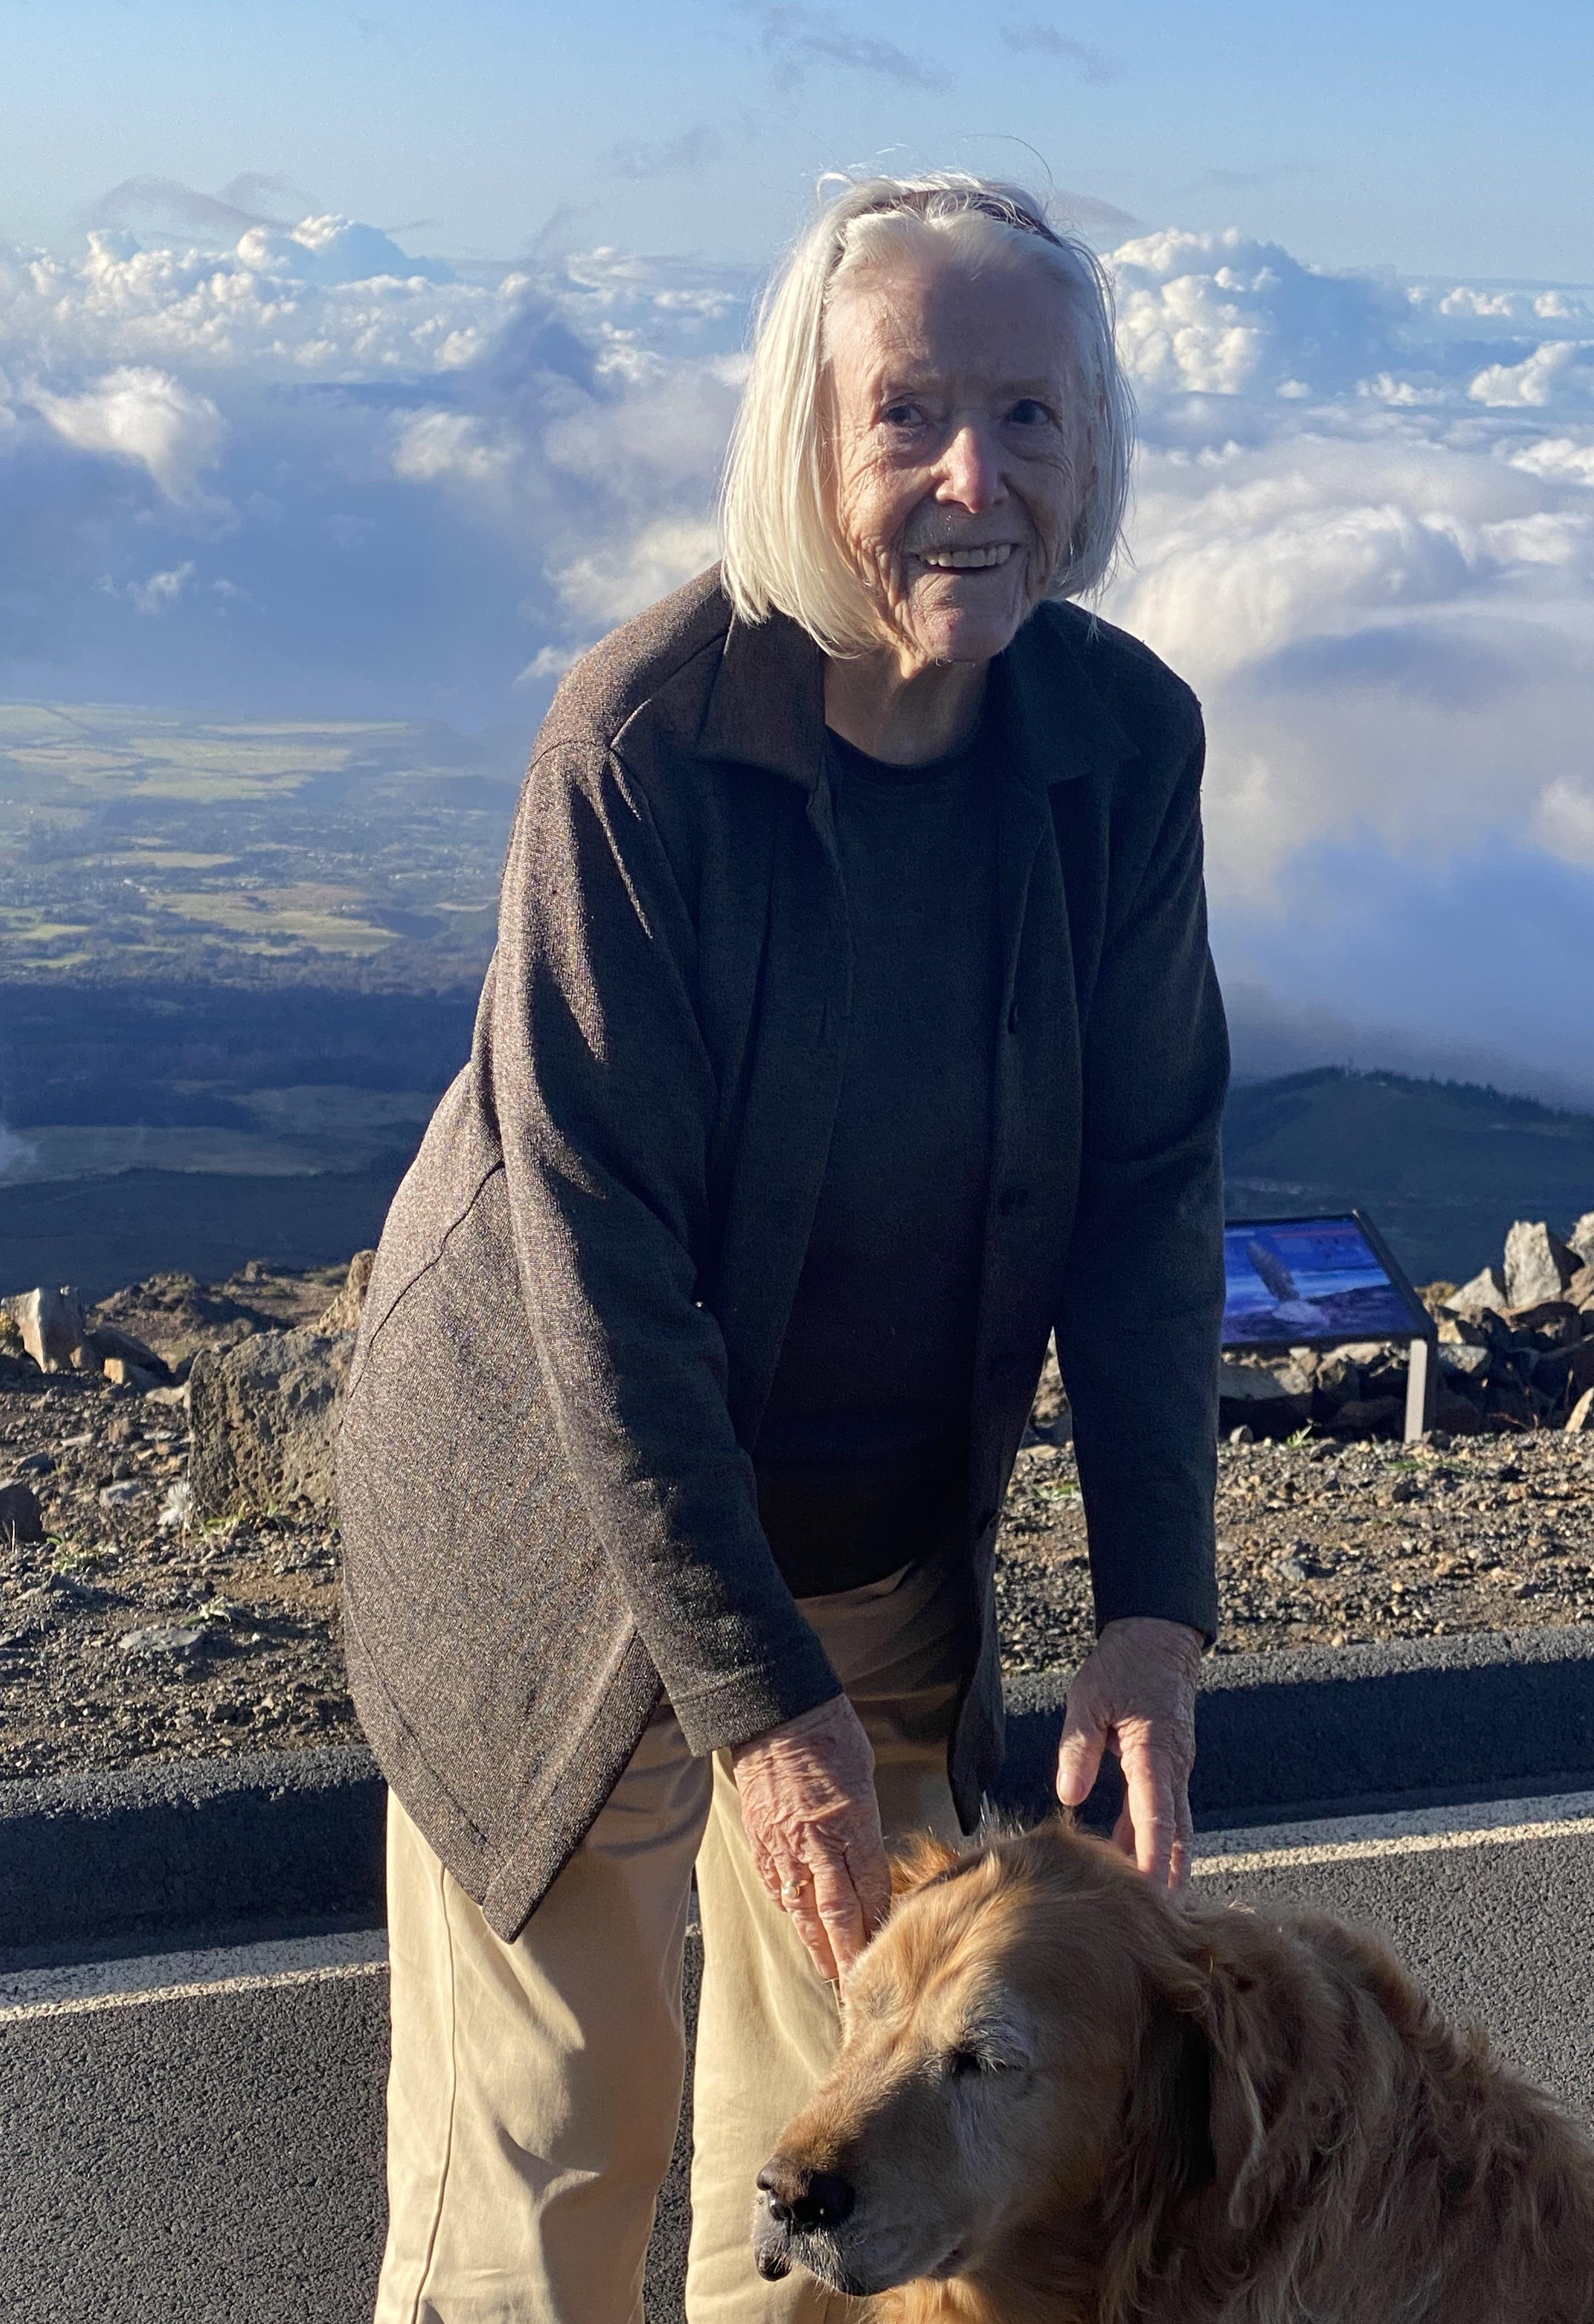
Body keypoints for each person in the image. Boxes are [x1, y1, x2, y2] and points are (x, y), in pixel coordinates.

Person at [339, 170, 1228, 2324]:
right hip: (558, 1531)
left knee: (843, 2189)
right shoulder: (644, 749)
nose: (972, 477)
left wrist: (1148, 1620)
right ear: (802, 444)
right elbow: (597, 1260)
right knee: (549, 2170)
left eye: (1027, 416)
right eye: (910, 413)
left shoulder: (1118, 744)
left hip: (874, 1526)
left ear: (1089, 450)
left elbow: (1148, 1191)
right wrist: (760, 1715)